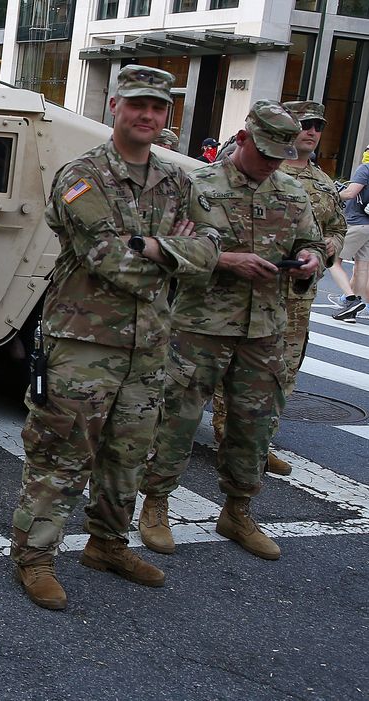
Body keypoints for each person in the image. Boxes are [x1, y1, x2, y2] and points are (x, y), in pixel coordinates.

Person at [8, 66, 218, 611]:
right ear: (115, 109)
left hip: (147, 344)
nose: (147, 116)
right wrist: (173, 250)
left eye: (158, 108)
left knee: (129, 454)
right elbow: (110, 262)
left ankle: (107, 544)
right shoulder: (82, 176)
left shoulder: (176, 181)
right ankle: (34, 558)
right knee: (61, 454)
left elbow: (211, 253)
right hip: (81, 342)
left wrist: (149, 244)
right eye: (137, 105)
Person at [138, 101, 326, 562]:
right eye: (264, 154)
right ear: (242, 140)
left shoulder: (291, 192)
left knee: (254, 425)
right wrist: (222, 260)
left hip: (264, 328)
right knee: (176, 419)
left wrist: (311, 262)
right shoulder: (193, 184)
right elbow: (159, 246)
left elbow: (313, 241)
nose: (270, 165)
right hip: (198, 324)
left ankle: (238, 509)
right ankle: (156, 504)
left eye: (279, 158)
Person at [207, 101, 346, 477]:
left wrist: (326, 249)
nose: (312, 131)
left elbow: (334, 229)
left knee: (281, 372)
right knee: (226, 367)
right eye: (306, 124)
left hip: (295, 298)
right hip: (239, 293)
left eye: (319, 125)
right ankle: (226, 432)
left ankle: (259, 440)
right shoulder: (258, 168)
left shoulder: (322, 184)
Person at [333, 154, 369, 323]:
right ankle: (352, 311)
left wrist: (333, 195)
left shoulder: (365, 168)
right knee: (361, 267)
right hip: (368, 226)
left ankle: (350, 299)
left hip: (356, 222)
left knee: (332, 260)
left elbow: (350, 193)